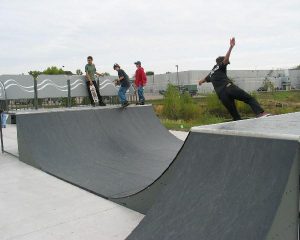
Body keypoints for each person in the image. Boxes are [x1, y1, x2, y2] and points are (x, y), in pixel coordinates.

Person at [198, 37, 269, 121]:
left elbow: (202, 81)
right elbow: (225, 60)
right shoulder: (220, 66)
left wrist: (200, 82)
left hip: (222, 96)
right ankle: (260, 113)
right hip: (229, 88)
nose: (227, 64)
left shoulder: (211, 73)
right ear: (221, 62)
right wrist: (231, 47)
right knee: (249, 99)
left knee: (236, 117)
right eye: (227, 63)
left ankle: (238, 124)